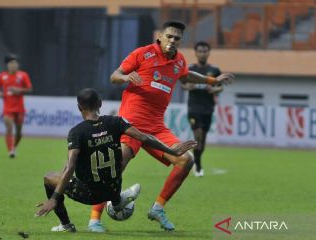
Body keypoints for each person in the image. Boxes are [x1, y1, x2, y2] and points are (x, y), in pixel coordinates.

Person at [87, 20, 235, 232]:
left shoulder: (179, 61)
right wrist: (127, 76)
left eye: (177, 38)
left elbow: (187, 74)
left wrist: (213, 80)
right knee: (116, 165)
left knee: (186, 160)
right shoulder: (143, 53)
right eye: (169, 36)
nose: (172, 41)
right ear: (160, 37)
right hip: (131, 124)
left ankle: (157, 208)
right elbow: (114, 76)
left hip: (156, 127)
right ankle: (94, 220)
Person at [35, 88, 196, 233]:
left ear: (79, 107)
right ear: (100, 103)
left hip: (89, 195)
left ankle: (66, 225)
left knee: (49, 177)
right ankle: (119, 199)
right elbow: (144, 137)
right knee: (107, 169)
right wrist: (171, 150)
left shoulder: (77, 132)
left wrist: (54, 199)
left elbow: (70, 167)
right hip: (112, 190)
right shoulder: (116, 122)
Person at [181, 41, 223, 177]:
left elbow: (221, 87)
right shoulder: (190, 69)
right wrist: (189, 87)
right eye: (200, 51)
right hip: (194, 107)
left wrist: (214, 89)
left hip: (208, 108)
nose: (202, 54)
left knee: (202, 140)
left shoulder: (215, 70)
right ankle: (197, 166)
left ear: (208, 53)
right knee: (197, 134)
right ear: (196, 53)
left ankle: (198, 162)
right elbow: (182, 84)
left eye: (205, 51)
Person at [0, 54, 32, 158]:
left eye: (15, 63)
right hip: (7, 108)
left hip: (19, 108)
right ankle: (10, 150)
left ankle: (13, 147)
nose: (14, 65)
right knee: (9, 128)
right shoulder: (2, 76)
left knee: (19, 133)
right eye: (11, 63)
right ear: (7, 65)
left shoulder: (23, 75)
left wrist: (19, 90)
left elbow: (29, 89)